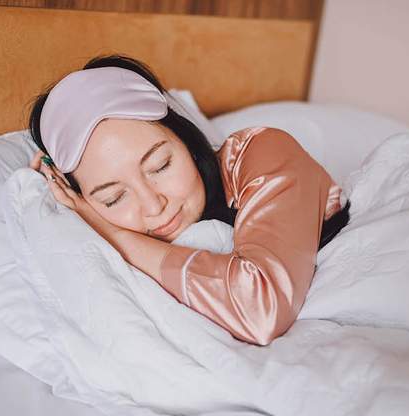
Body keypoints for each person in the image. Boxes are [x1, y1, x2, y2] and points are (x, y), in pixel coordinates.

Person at [27, 55, 350, 346]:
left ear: (183, 138)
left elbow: (260, 309)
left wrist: (116, 235)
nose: (154, 207)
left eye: (160, 166)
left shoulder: (260, 152)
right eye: (113, 199)